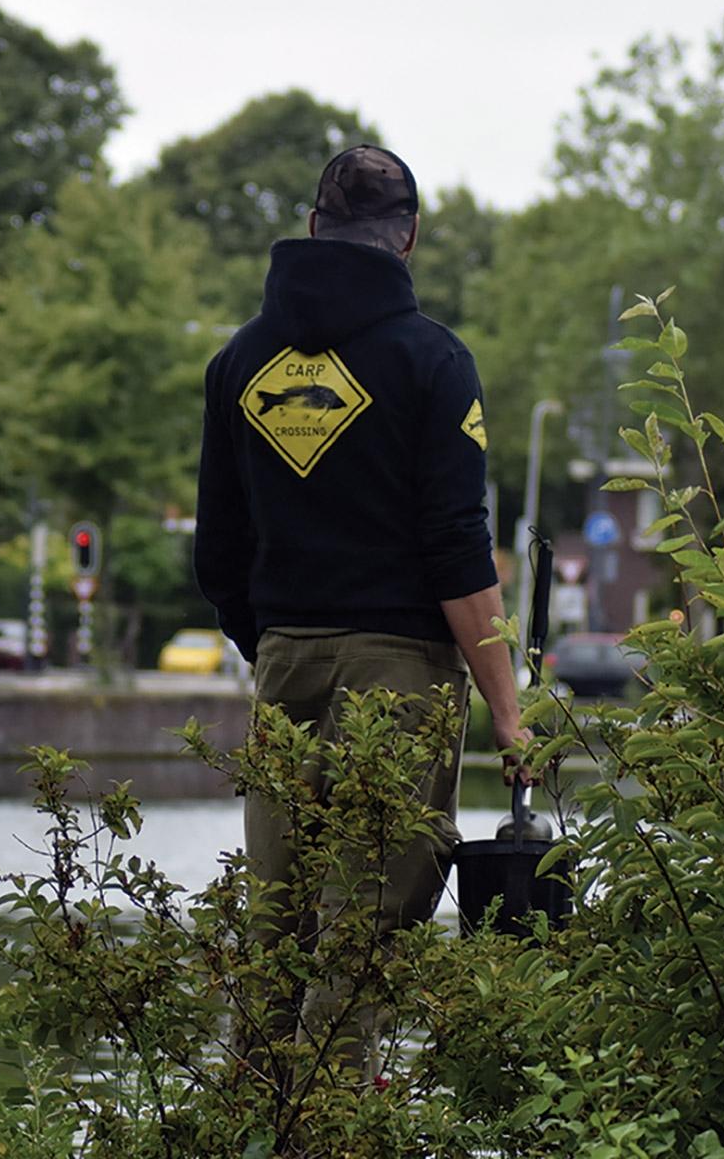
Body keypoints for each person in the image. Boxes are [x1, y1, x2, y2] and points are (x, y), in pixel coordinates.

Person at [192, 143, 531, 1073]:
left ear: (313, 227)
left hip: (285, 663)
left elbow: (217, 553)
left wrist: (277, 642)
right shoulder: (433, 360)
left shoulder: (238, 363)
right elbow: (457, 549)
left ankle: (253, 1120)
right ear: (408, 237)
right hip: (402, 671)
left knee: (278, 928)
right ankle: (337, 1122)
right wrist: (508, 712)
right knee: (365, 931)